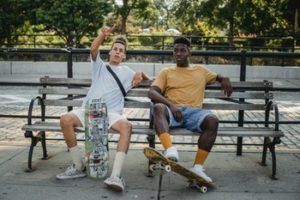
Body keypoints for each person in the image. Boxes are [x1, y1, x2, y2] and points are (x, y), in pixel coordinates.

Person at [56, 25, 149, 192]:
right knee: (65, 119)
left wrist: (141, 74)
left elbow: (150, 80)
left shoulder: (127, 72)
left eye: (121, 50)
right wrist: (102, 35)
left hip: (111, 114)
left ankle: (115, 176)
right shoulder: (100, 66)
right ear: (110, 52)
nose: (118, 52)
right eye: (115, 49)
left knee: (127, 126)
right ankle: (78, 166)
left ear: (124, 55)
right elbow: (93, 49)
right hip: (88, 110)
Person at [148, 37, 232, 183]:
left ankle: (197, 168)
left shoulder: (201, 70)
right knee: (158, 108)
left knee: (213, 120)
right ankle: (170, 150)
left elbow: (218, 77)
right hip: (172, 111)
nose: (178, 53)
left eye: (182, 50)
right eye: (175, 50)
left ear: (189, 53)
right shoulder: (166, 71)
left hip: (195, 113)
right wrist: (172, 106)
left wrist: (224, 78)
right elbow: (152, 93)